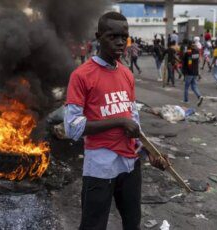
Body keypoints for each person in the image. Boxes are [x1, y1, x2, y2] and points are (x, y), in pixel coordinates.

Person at [64, 12, 168, 230]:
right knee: (93, 225)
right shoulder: (82, 75)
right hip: (100, 166)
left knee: (132, 223)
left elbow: (134, 122)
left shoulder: (127, 74)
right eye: (113, 36)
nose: (121, 42)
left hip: (130, 165)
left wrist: (149, 151)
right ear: (99, 37)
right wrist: (118, 122)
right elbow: (72, 128)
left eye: (124, 36)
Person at [182, 40, 204, 106]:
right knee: (194, 86)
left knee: (186, 87)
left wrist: (185, 72)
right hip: (195, 72)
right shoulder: (197, 52)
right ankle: (199, 96)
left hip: (189, 72)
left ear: (189, 45)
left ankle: (186, 100)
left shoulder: (189, 53)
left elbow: (189, 63)